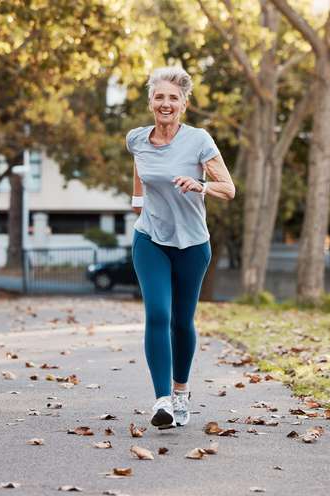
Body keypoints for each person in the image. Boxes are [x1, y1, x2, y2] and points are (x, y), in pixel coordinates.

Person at [126, 66, 236, 429]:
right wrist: (137, 201)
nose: (165, 103)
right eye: (159, 97)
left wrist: (200, 185)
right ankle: (162, 402)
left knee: (181, 321)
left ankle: (181, 392)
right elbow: (140, 168)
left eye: (173, 98)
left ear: (183, 104)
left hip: (192, 244)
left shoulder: (199, 140)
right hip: (150, 239)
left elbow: (229, 189)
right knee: (158, 313)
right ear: (150, 102)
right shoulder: (137, 139)